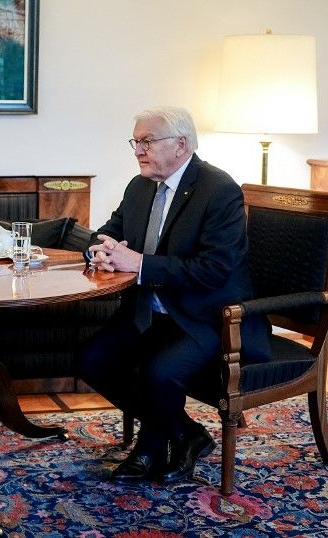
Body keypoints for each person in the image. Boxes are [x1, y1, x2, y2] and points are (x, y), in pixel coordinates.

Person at [78, 106, 271, 485]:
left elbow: (213, 269)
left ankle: (152, 444)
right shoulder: (140, 185)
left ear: (181, 144)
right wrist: (97, 250)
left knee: (159, 372)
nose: (138, 150)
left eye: (147, 141)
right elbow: (108, 231)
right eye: (136, 141)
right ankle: (185, 434)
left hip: (207, 316)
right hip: (149, 312)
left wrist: (141, 264)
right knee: (92, 361)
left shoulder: (219, 190)